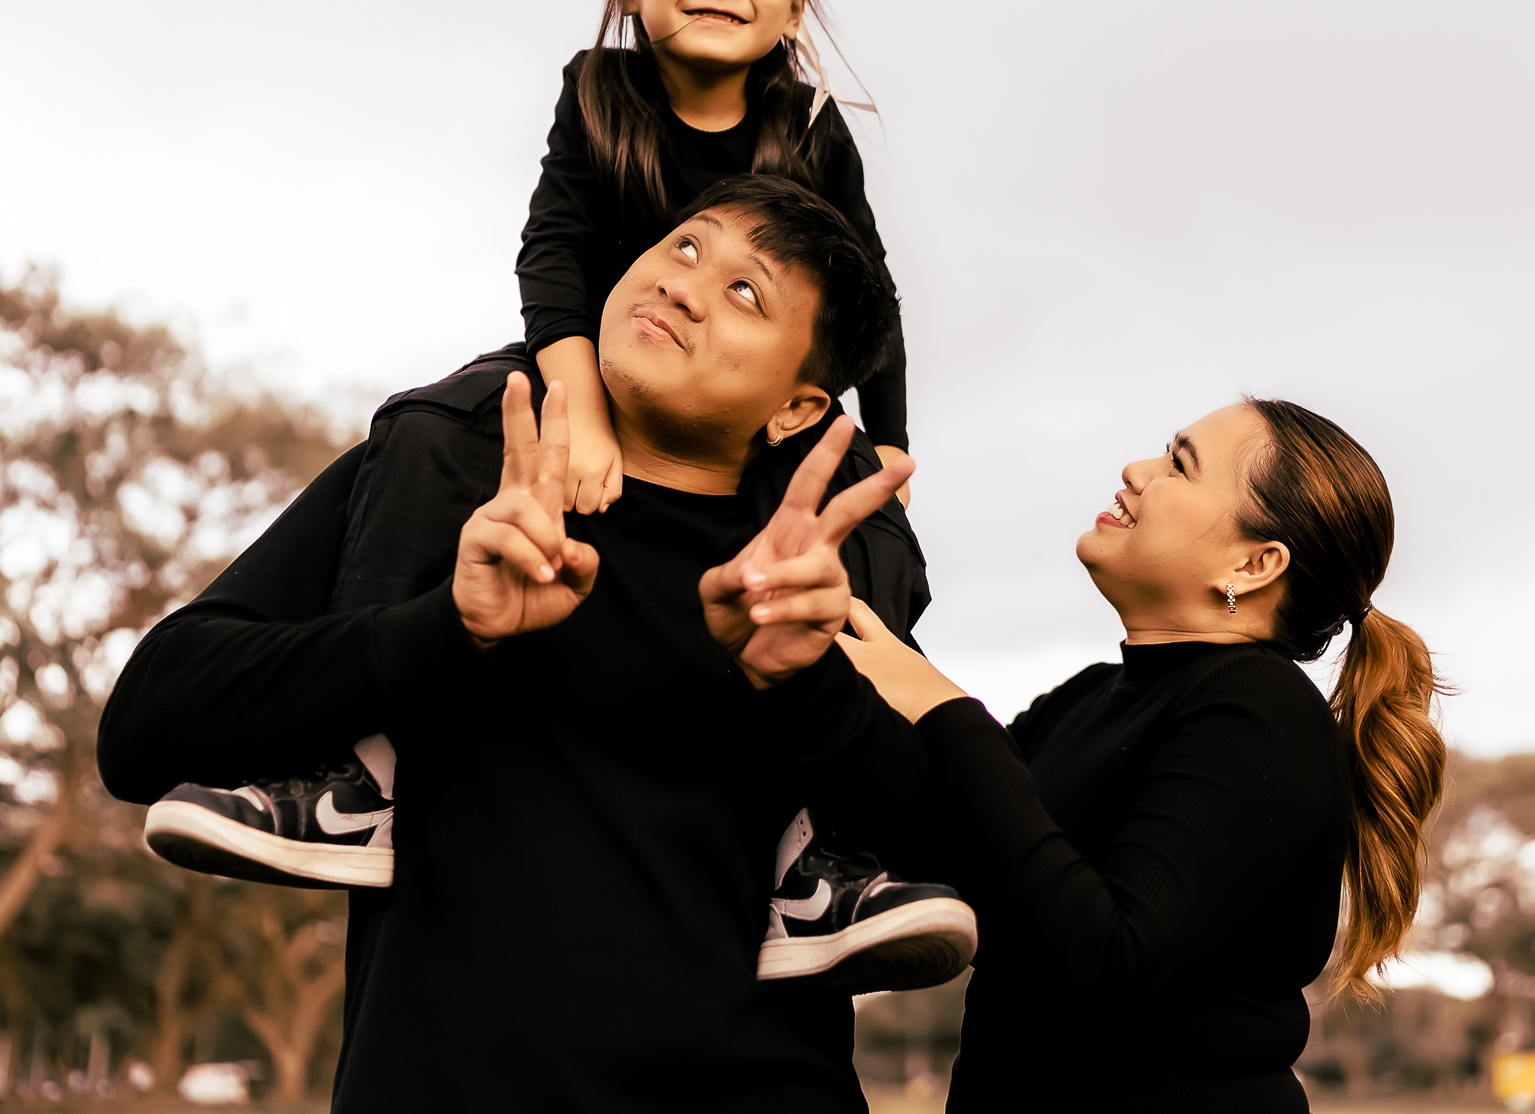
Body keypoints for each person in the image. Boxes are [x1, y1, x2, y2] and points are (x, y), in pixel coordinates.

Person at [99, 181, 969, 1110]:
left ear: (798, 408)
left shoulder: (814, 573)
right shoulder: (451, 482)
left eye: (746, 292)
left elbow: (954, 849)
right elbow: (146, 729)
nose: (685, 287)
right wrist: (441, 626)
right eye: (683, 249)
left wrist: (808, 685)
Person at [734, 399, 1449, 1111]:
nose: (1136, 471)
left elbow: (1115, 962)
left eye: (1179, 464)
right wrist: (809, 665)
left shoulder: (1260, 711)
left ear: (1254, 563)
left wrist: (944, 708)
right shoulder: (1085, 698)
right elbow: (939, 847)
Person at [521, 0, 911, 515]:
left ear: (792, 12)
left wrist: (891, 442)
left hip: (751, 404)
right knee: (459, 416)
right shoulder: (597, 89)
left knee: (859, 516)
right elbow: (554, 251)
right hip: (610, 364)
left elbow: (867, 290)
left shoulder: (810, 126)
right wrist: (580, 416)